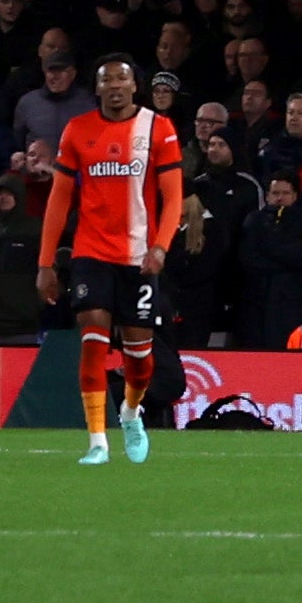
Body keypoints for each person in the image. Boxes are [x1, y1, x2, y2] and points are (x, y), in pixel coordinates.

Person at [39, 50, 183, 475]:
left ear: (134, 85)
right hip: (90, 254)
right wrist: (46, 262)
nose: (115, 86)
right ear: (97, 87)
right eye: (107, 80)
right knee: (93, 340)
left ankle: (132, 413)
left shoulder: (159, 128)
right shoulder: (77, 130)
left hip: (139, 258)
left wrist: (160, 247)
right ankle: (97, 440)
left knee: (140, 360)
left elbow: (173, 195)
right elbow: (59, 199)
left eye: (122, 79)